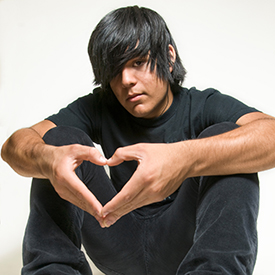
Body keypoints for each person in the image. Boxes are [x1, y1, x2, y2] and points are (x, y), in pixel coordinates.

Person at [1, 5, 275, 275]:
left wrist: (184, 158)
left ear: (169, 57)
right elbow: (15, 145)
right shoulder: (99, 107)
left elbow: (269, 134)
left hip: (183, 244)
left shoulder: (202, 105)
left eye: (138, 62)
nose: (126, 80)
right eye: (115, 70)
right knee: (57, 142)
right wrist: (47, 159)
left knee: (229, 140)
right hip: (114, 233)